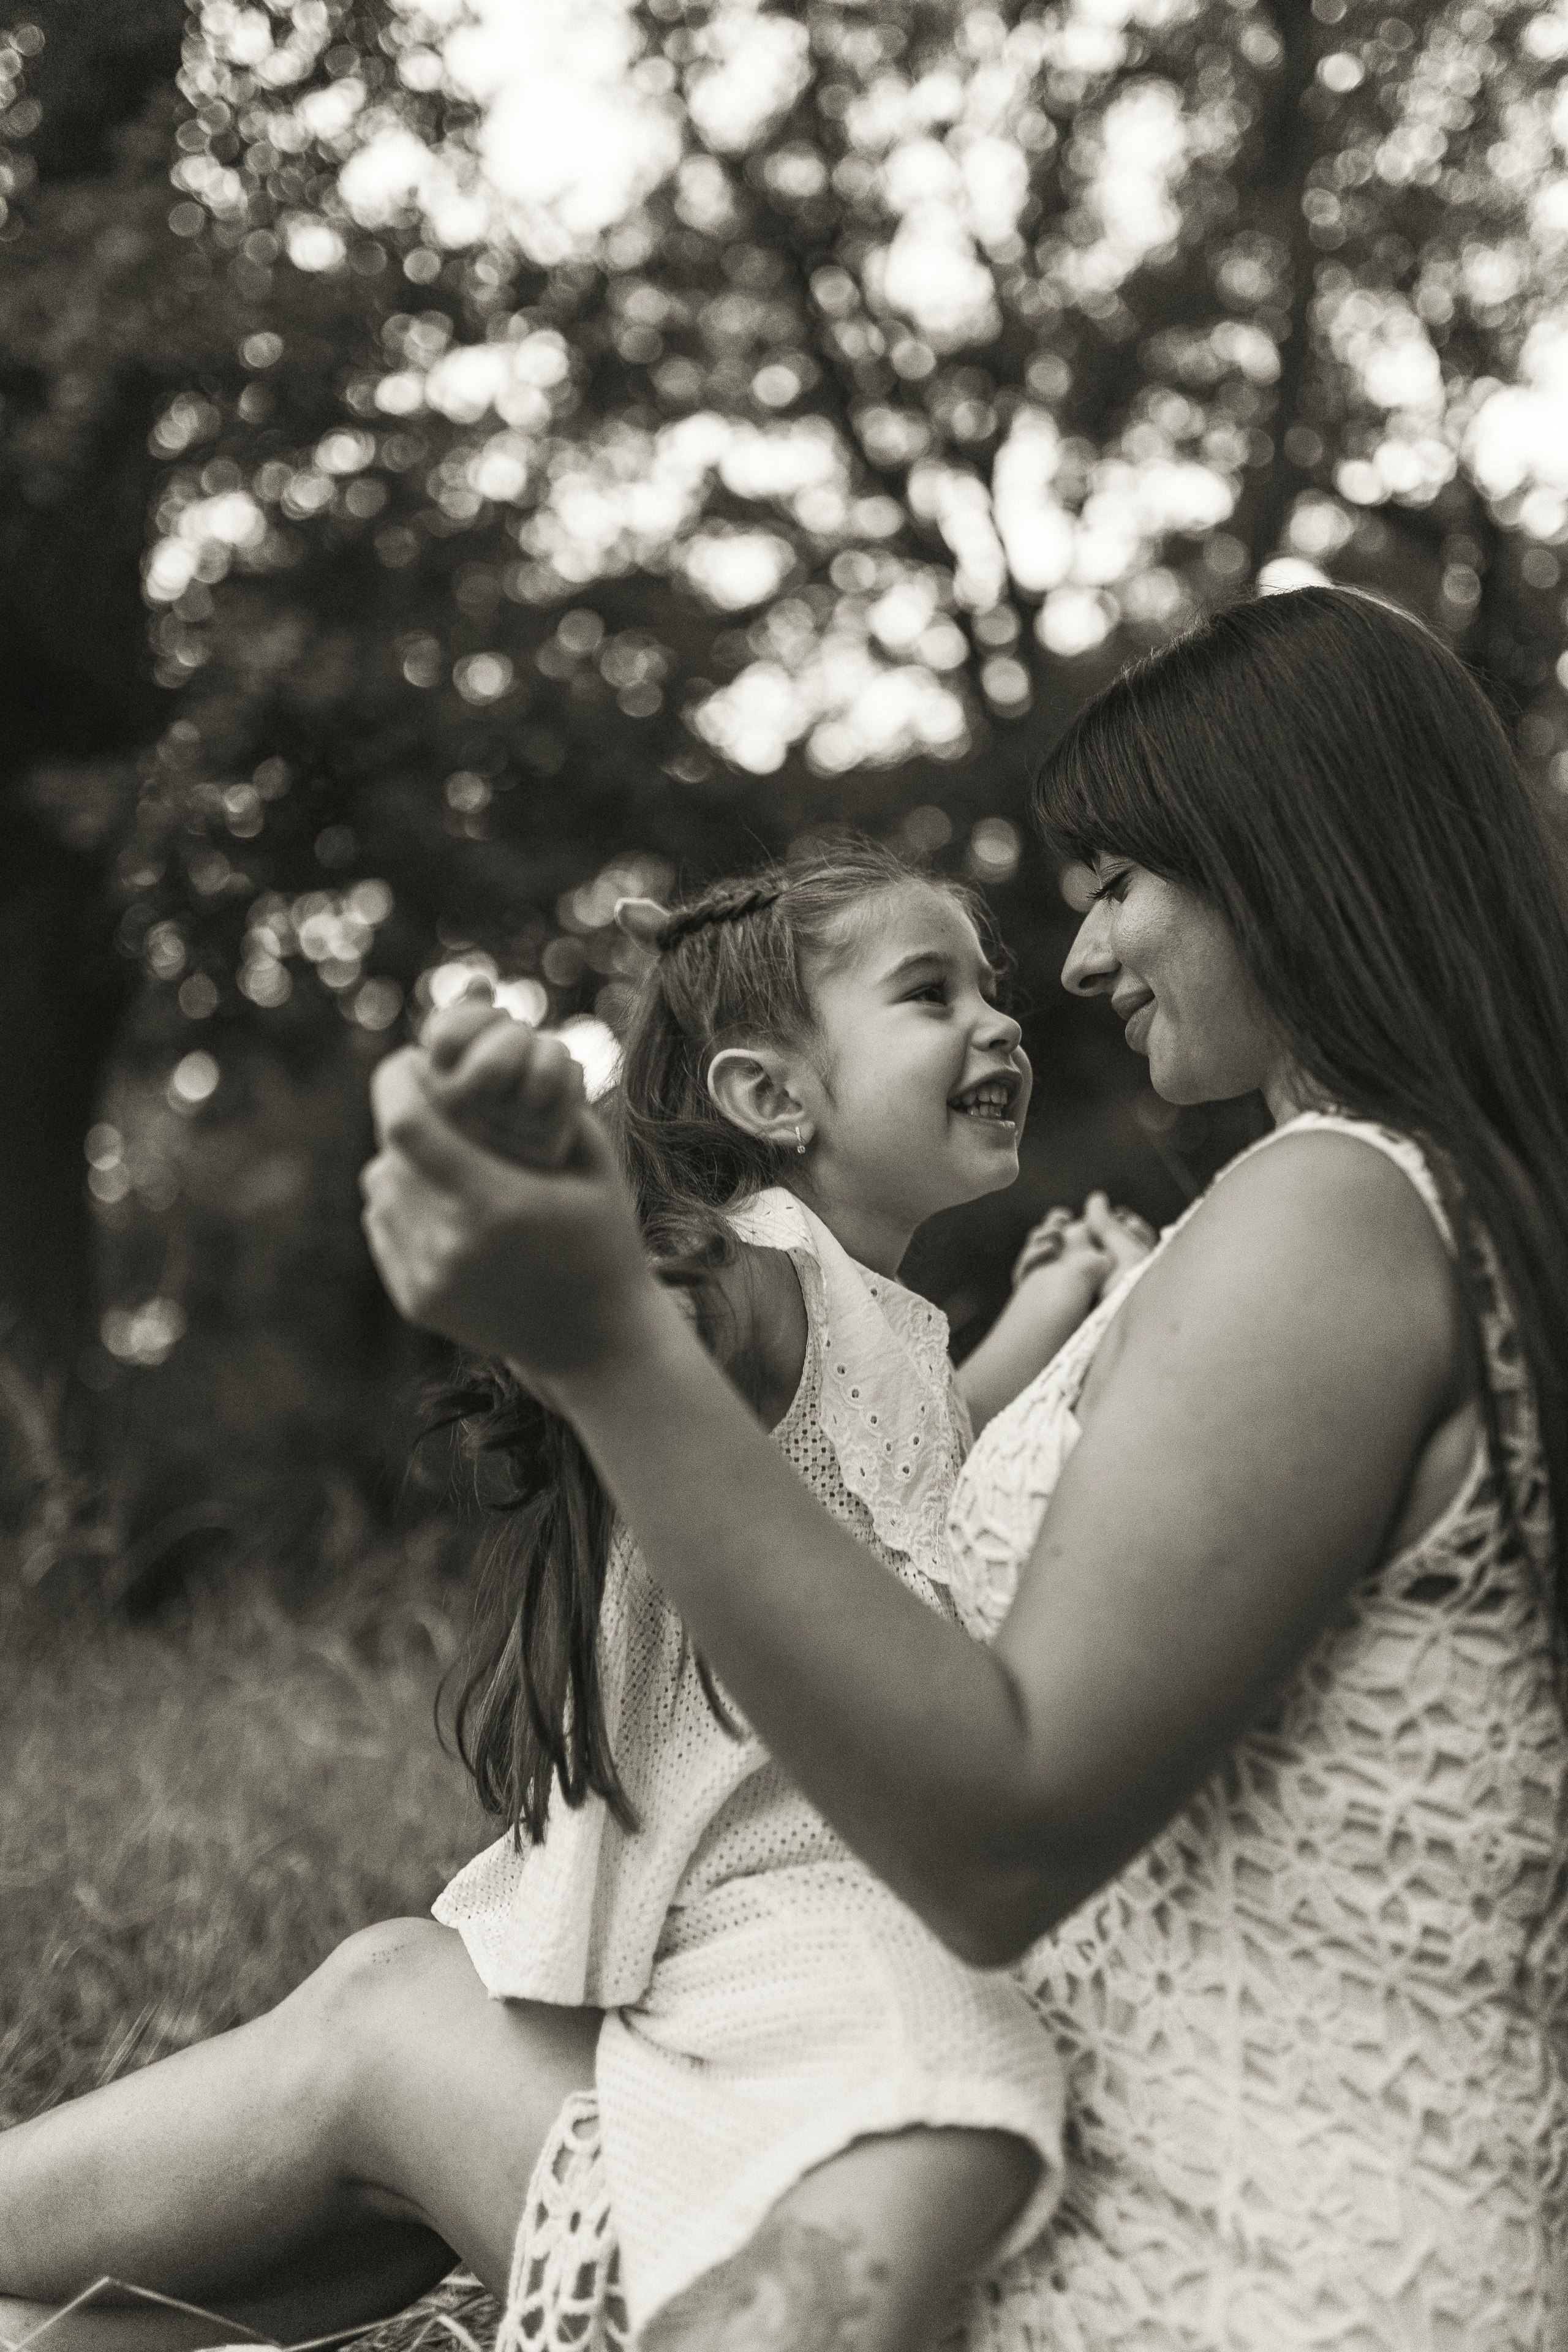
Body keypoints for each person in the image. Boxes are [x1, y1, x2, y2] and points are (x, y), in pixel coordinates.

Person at [361, 586, 1568, 2349]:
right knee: (384, 2022)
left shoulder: (1341, 1210)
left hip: (1225, 2268)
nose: (1080, 964)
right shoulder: (1459, 1215)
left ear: (1287, 853)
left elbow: (1003, 1834)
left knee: (387, 2026)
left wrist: (605, 1345)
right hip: (1245, 2189)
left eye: (1116, 888)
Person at [0, 844, 1147, 2352]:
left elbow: (920, 1473)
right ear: (770, 1100)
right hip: (756, 1913)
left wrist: (1059, 1304)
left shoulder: (891, 1323)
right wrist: (563, 1234)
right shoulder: (756, 1277)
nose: (998, 1021)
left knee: (296, 2249)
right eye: (930, 992)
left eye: (986, 989)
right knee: (353, 2095)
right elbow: (639, 1332)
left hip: (807, 1940)